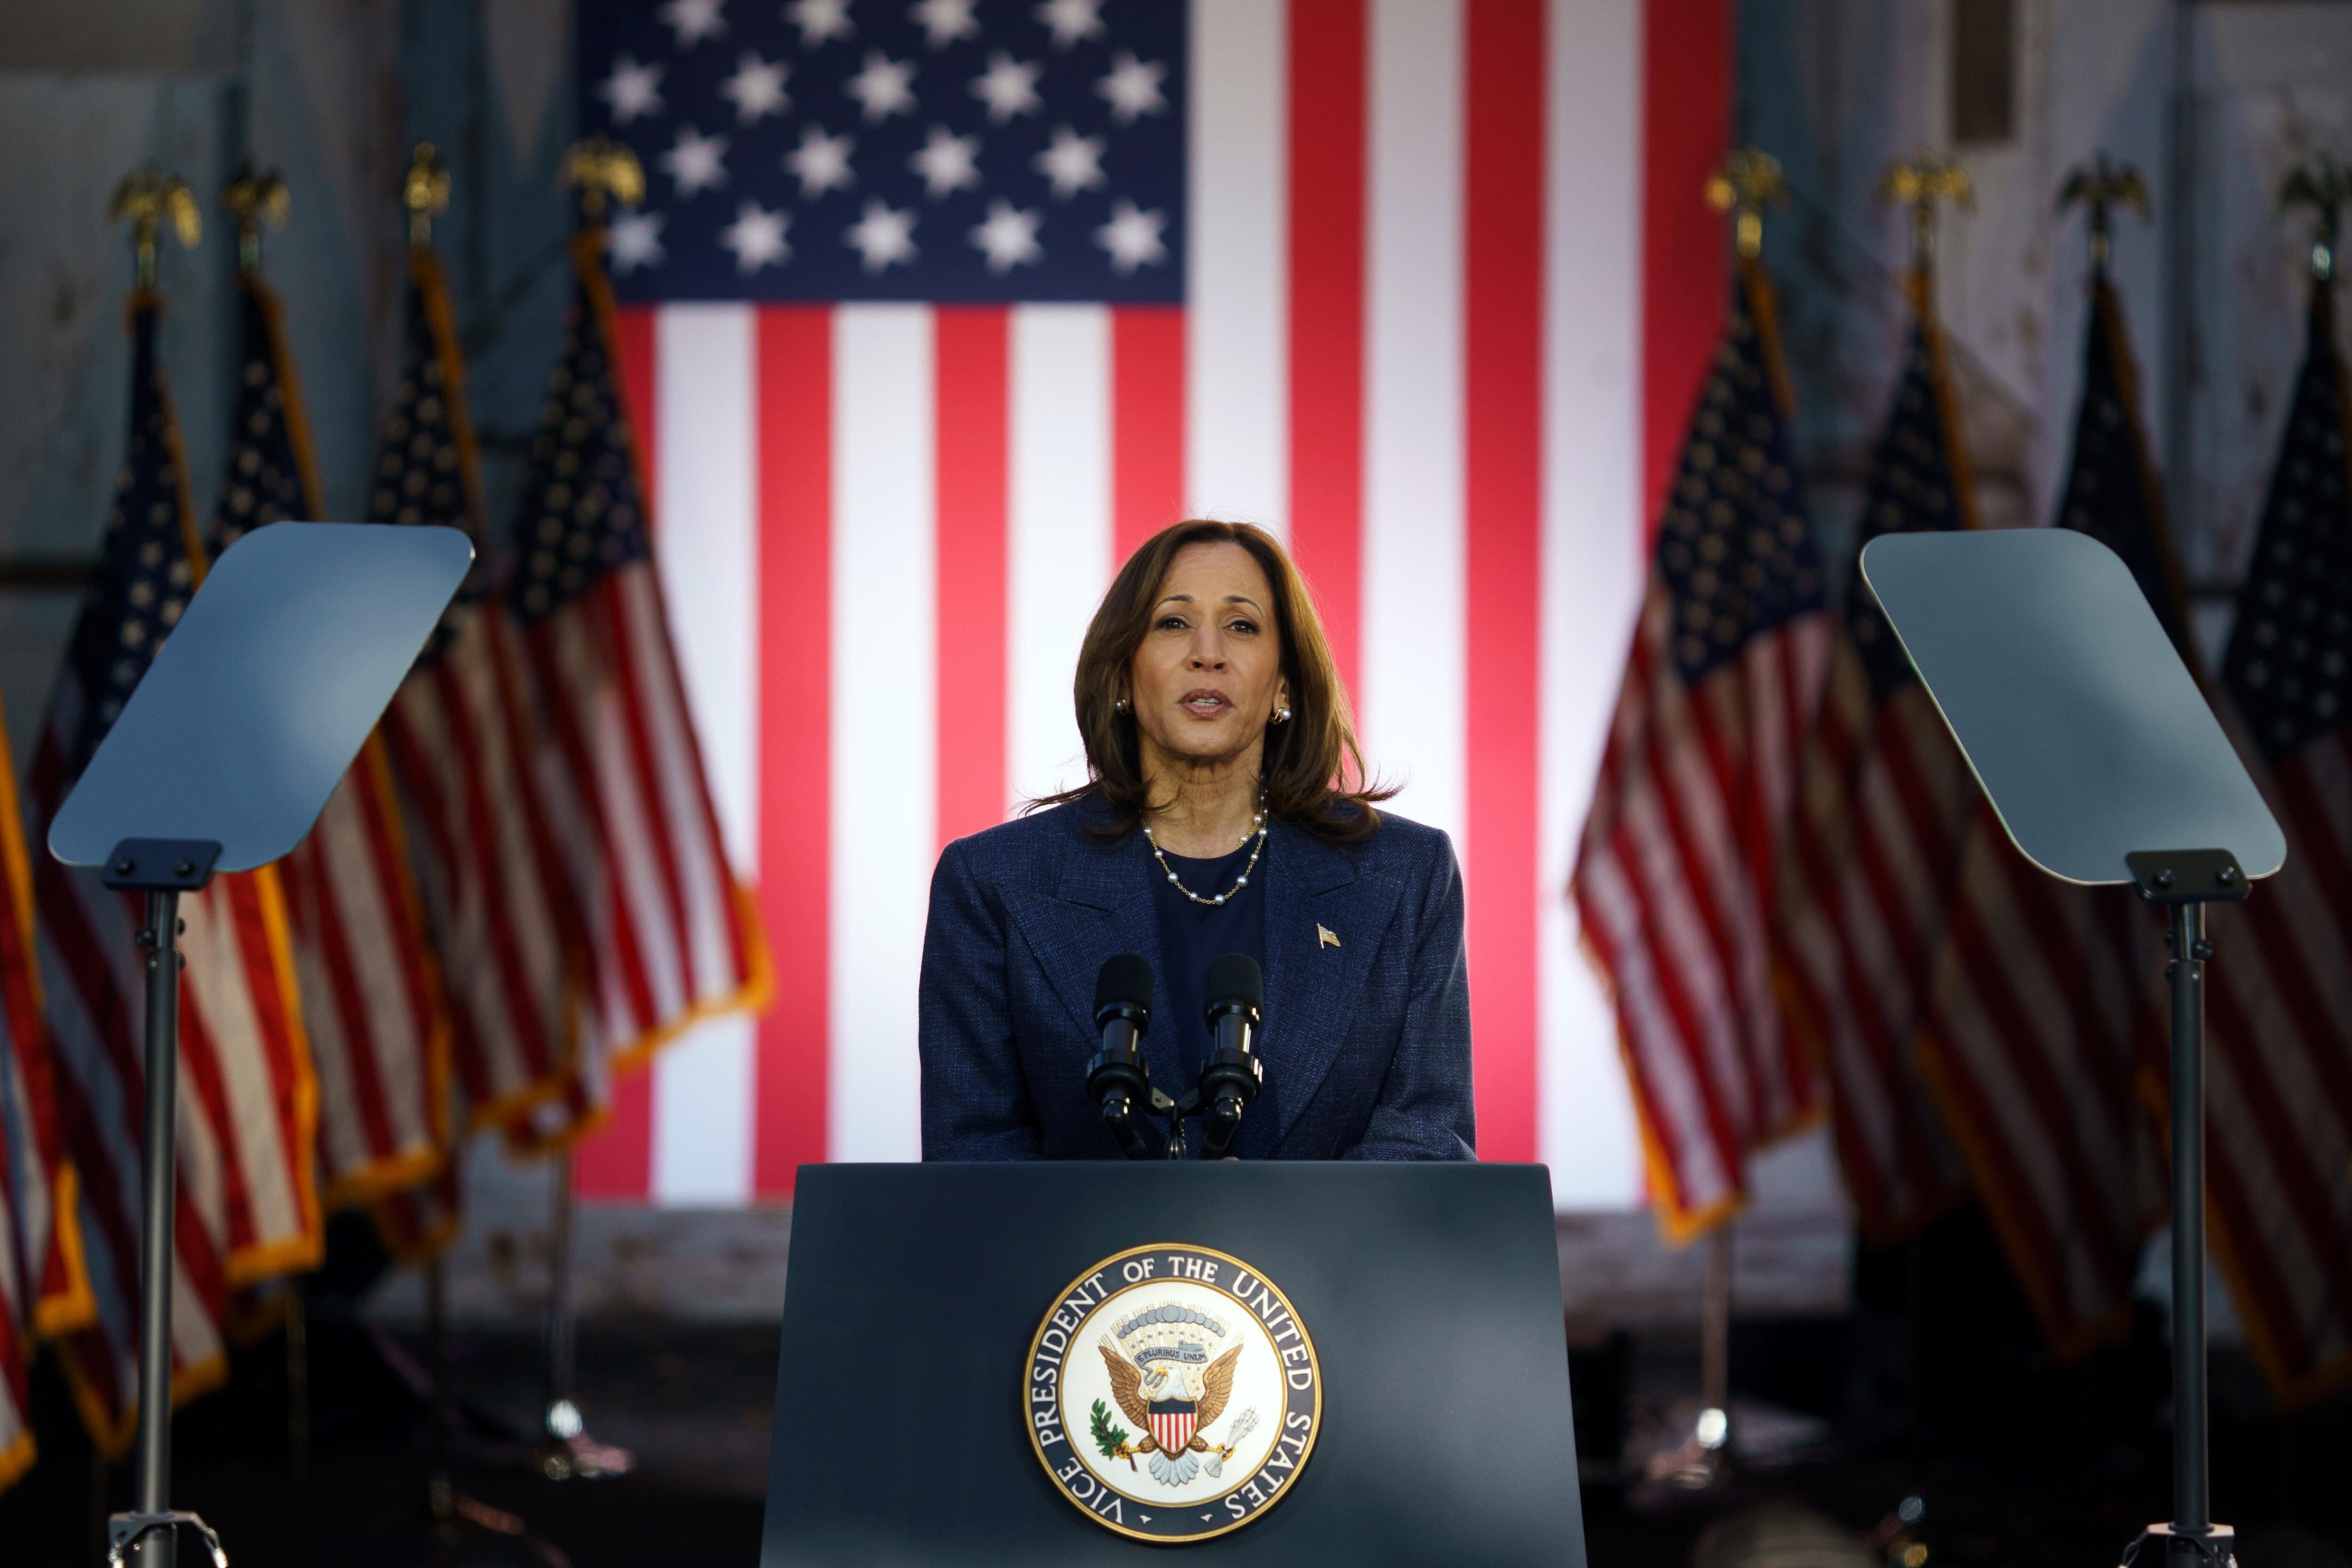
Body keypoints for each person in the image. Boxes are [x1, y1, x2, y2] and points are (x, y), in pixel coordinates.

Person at [918, 519, 1475, 1161]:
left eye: (1242, 626)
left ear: (1285, 684)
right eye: (1173, 624)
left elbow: (1428, 1142)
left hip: (1329, 1264)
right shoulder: (993, 884)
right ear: (1124, 676)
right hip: (1075, 1265)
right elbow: (974, 1162)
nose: (1207, 653)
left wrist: (1252, 1237)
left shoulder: (1405, 877)